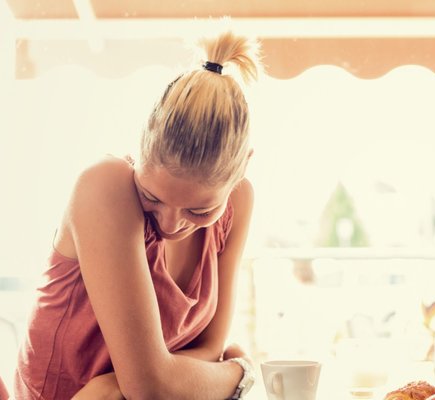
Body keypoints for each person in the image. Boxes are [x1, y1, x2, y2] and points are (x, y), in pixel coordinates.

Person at [15, 31, 259, 399]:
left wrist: (120, 382)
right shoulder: (105, 186)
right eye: (152, 197)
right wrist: (240, 372)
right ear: (140, 150)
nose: (170, 224)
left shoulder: (239, 203)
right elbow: (152, 385)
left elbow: (209, 347)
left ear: (241, 171)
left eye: (199, 210)